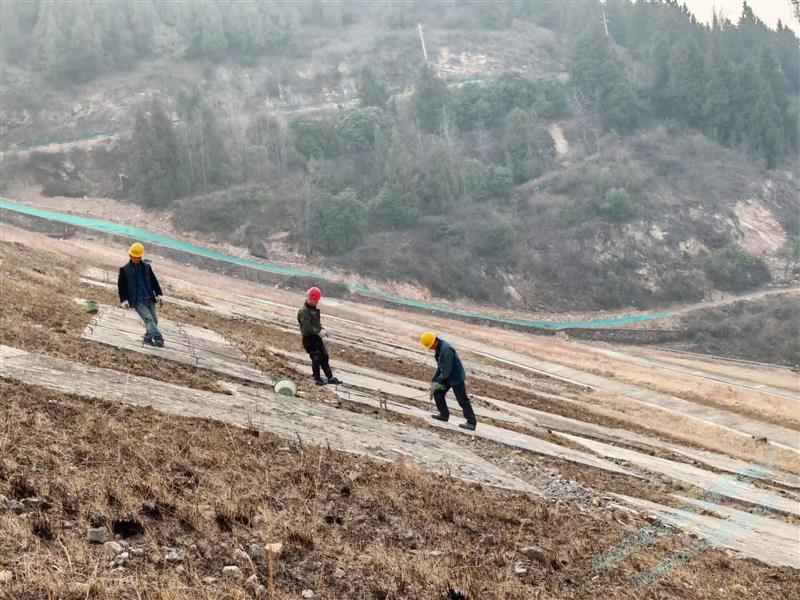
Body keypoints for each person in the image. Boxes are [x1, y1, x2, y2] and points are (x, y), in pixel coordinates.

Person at [420, 331, 477, 430]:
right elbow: (440, 368)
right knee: (437, 391)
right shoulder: (438, 349)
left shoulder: (446, 350)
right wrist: (434, 380)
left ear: (434, 342)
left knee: (462, 400)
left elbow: (446, 371)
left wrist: (438, 381)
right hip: (447, 377)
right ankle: (444, 415)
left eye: (429, 346)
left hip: (455, 377)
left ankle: (471, 422)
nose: (429, 348)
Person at [118, 242, 164, 347]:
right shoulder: (124, 270)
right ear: (130, 255)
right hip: (137, 300)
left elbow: (153, 281)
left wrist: (159, 294)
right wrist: (124, 300)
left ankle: (147, 338)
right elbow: (121, 286)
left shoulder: (147, 267)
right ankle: (158, 338)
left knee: (154, 320)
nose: (136, 259)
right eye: (134, 257)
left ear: (141, 256)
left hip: (149, 297)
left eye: (138, 257)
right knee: (148, 319)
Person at [297, 287, 342, 386]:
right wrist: (318, 332)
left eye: (317, 300)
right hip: (309, 339)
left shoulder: (313, 309)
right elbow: (306, 328)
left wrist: (322, 330)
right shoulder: (304, 311)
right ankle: (317, 379)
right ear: (310, 298)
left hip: (316, 338)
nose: (316, 302)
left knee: (324, 357)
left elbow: (316, 324)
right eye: (315, 300)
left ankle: (330, 378)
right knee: (316, 357)